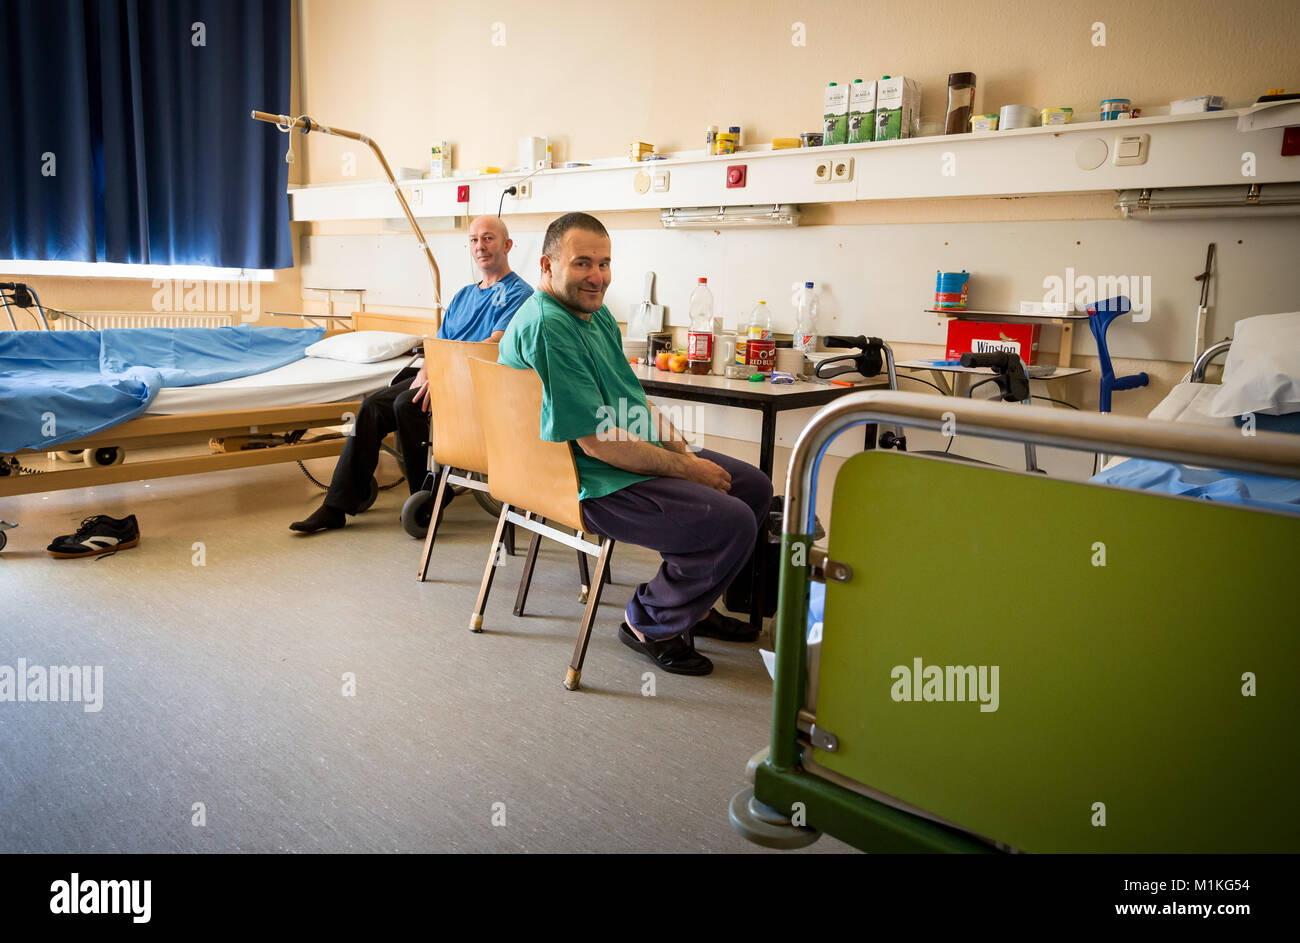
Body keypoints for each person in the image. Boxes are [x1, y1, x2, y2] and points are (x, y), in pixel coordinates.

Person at [497, 212, 772, 676]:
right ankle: (649, 621)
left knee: (752, 487)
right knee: (730, 519)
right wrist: (686, 469)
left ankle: (693, 606)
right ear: (547, 267)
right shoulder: (550, 326)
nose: (597, 276)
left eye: (604, 263)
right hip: (586, 478)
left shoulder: (595, 314)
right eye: (582, 263)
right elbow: (600, 443)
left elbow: (632, 400)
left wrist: (681, 450)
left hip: (621, 455)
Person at [291, 216, 532, 534]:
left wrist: (444, 377)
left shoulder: (519, 293)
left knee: (407, 403)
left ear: (507, 245)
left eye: (488, 238)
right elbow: (437, 344)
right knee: (372, 406)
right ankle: (336, 506)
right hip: (443, 375)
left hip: (479, 383)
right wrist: (429, 372)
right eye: (474, 240)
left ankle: (427, 495)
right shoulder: (462, 296)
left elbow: (493, 345)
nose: (480, 246)